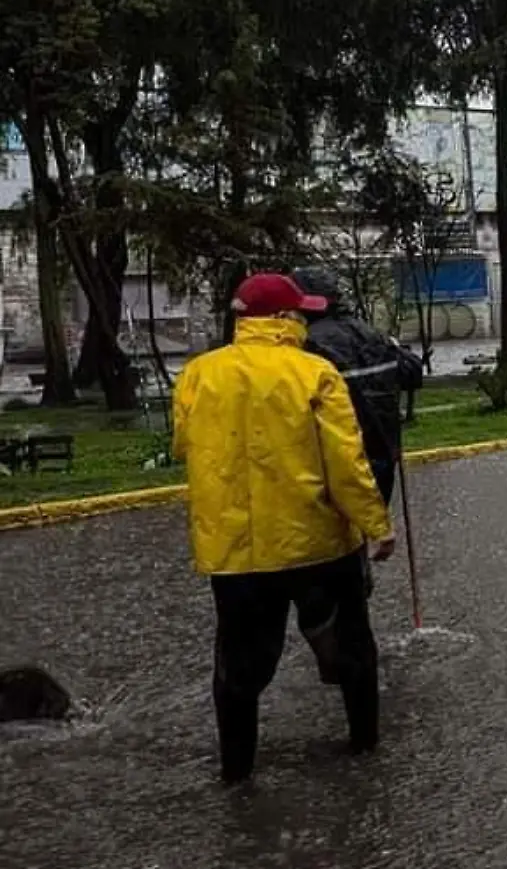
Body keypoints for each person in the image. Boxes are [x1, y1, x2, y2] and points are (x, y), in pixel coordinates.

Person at [172, 272, 396, 784]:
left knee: (237, 668)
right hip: (316, 546)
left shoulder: (197, 375)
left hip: (235, 554)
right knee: (353, 651)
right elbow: (346, 462)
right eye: (297, 312)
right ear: (280, 319)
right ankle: (364, 750)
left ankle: (237, 772)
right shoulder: (314, 374)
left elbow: (183, 445)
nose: (302, 319)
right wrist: (376, 525)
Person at [291, 267, 425, 505]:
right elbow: (412, 374)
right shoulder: (371, 333)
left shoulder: (307, 342)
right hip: (382, 452)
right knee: (372, 520)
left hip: (335, 455)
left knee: (340, 530)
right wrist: (398, 351)